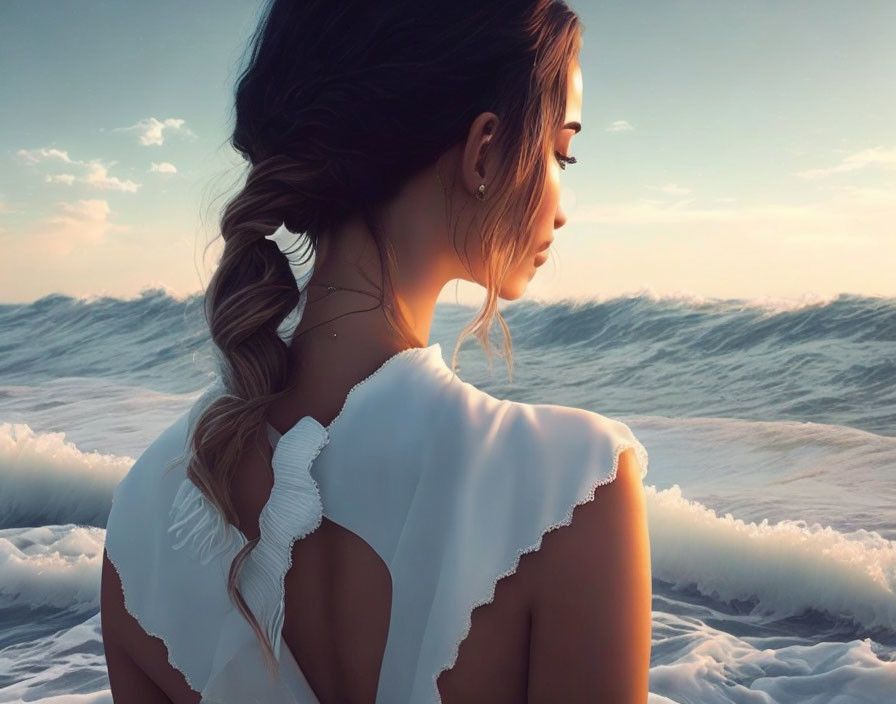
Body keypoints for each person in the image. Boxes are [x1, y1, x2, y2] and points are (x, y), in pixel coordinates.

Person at [100, 0, 651, 702]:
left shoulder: (146, 510)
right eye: (560, 152)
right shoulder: (569, 490)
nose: (563, 203)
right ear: (484, 152)